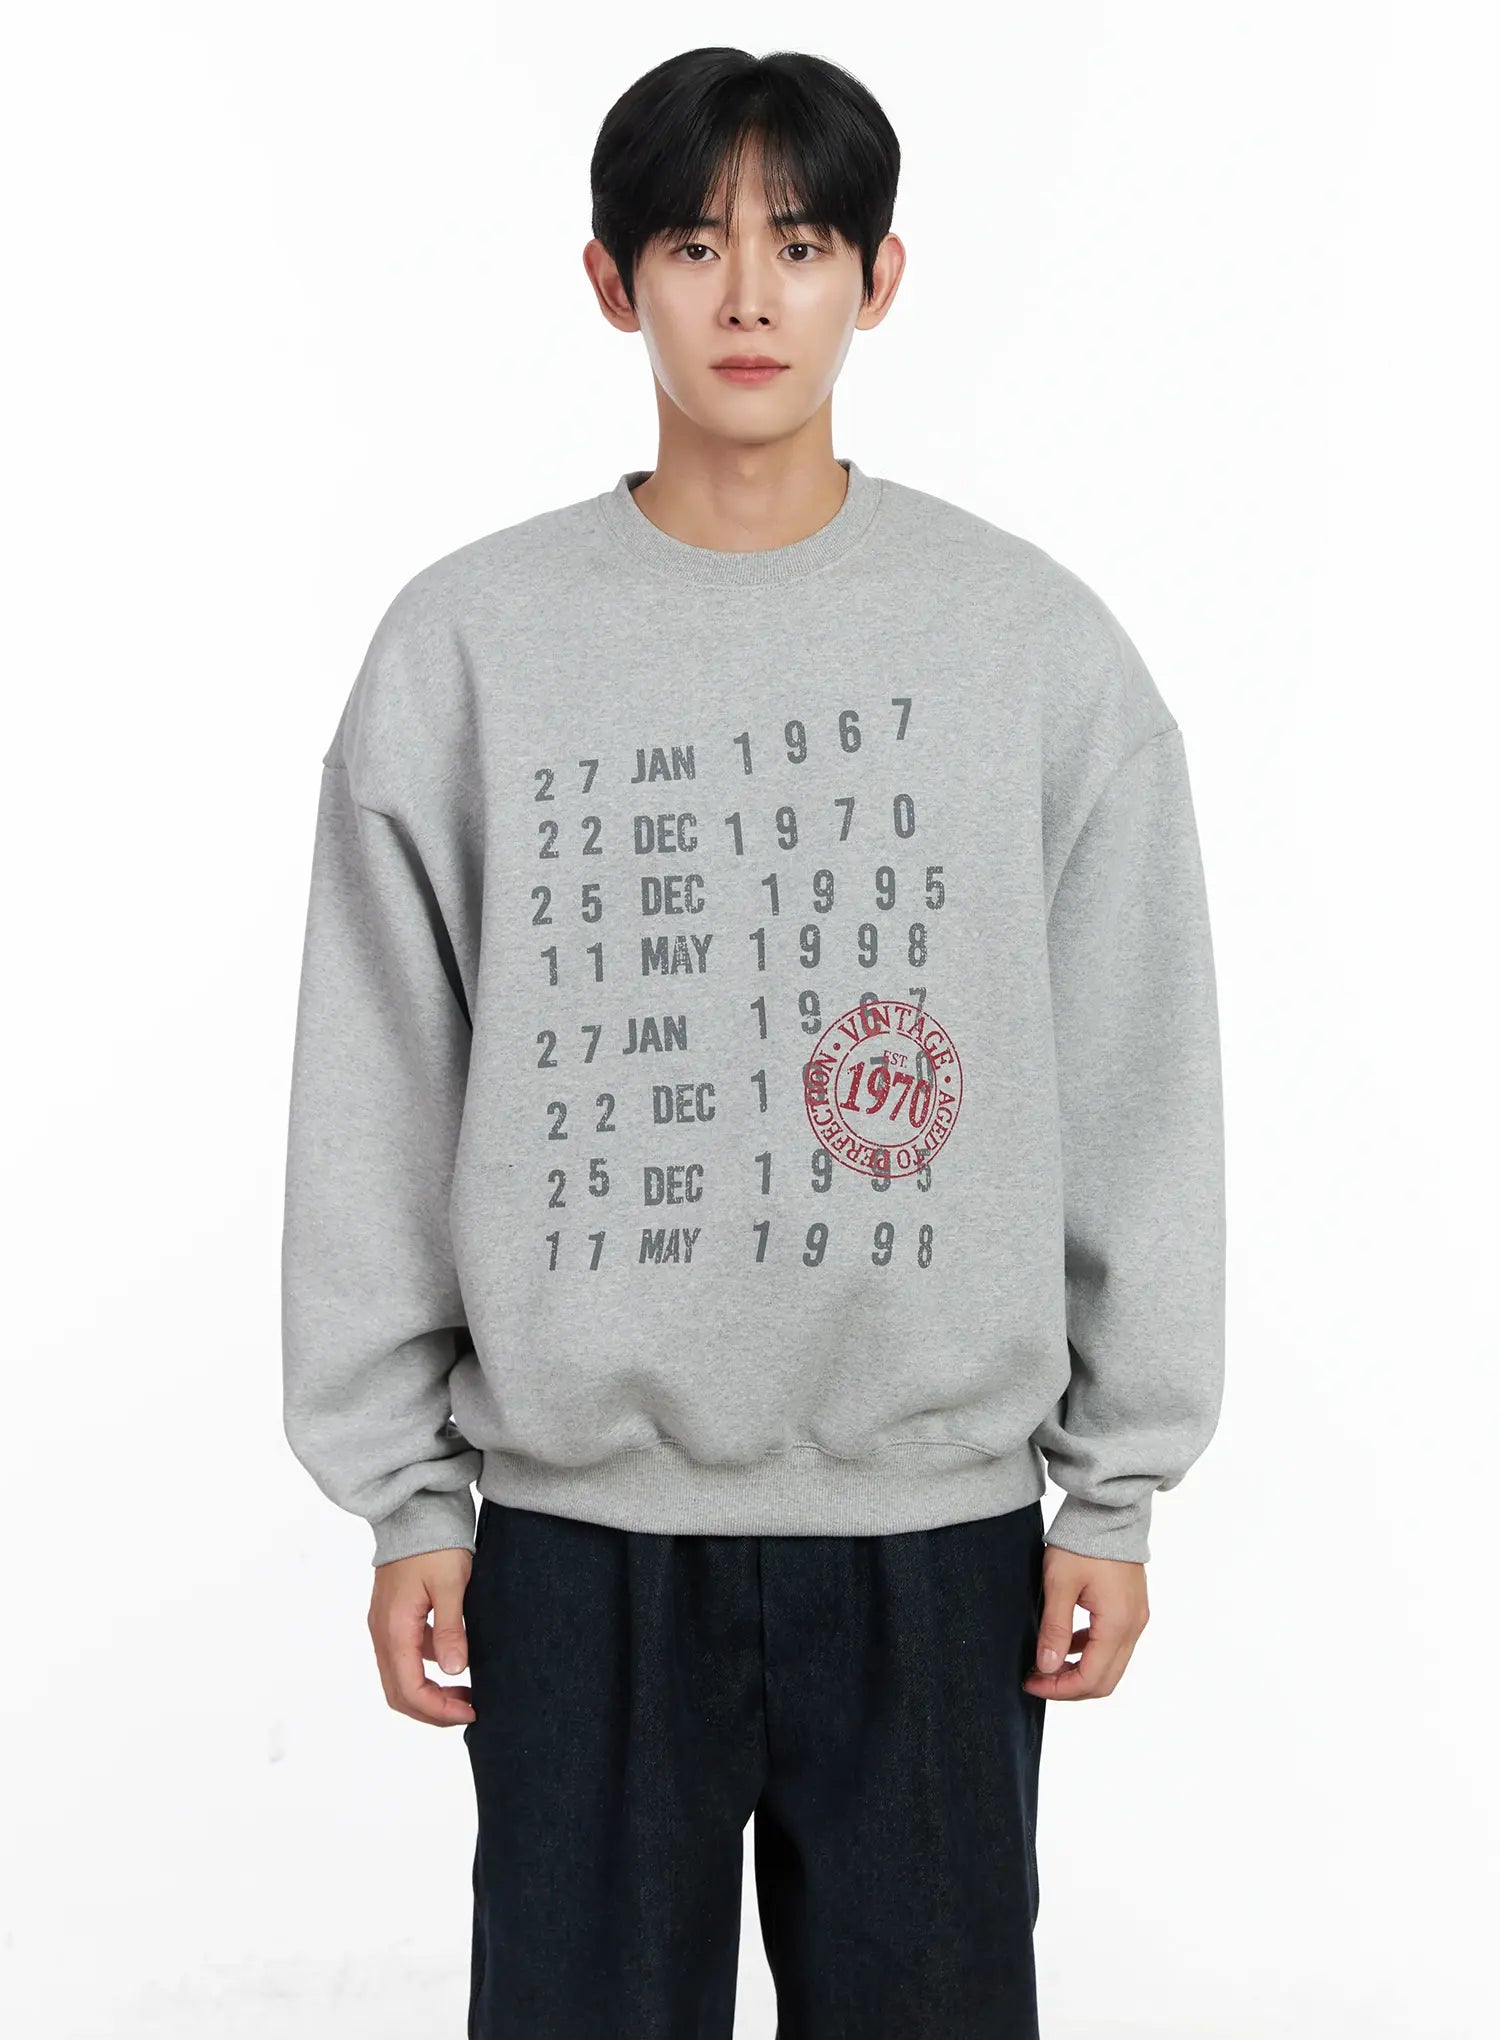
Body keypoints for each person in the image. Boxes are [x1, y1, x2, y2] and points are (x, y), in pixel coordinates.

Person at [280, 44, 1226, 2040]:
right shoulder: (470, 646)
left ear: (880, 277)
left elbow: (1136, 1074)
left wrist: (1114, 1495)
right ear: (611, 280)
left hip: (937, 1536)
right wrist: (411, 1500)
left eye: (798, 243)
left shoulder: (1029, 646)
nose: (748, 296)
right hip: (577, 1541)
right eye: (695, 245)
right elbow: (382, 1080)